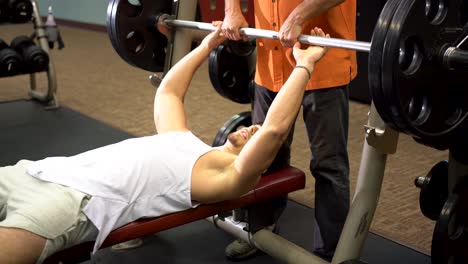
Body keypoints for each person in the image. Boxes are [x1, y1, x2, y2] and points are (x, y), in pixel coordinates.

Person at [0, 23, 329, 264]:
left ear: (260, 165)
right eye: (254, 127)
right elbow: (169, 92)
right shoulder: (181, 138)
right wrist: (207, 45)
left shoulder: (223, 180)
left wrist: (305, 64)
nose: (254, 127)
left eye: (256, 138)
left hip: (71, 205)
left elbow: (274, 130)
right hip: (38, 171)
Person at [222, 0, 357, 261]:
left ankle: (333, 254)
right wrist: (232, 10)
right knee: (262, 156)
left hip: (321, 59)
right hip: (269, 59)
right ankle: (260, 231)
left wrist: (298, 16)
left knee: (328, 165)